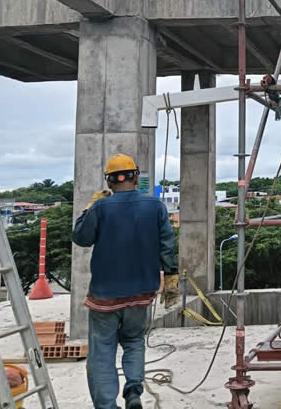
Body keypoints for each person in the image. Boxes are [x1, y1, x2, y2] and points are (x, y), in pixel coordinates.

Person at [73, 154, 179, 409]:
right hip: (141, 293)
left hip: (105, 296)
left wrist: (90, 207)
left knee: (102, 352)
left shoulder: (100, 208)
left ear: (109, 181)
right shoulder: (155, 206)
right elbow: (167, 244)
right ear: (135, 177)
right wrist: (171, 276)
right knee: (134, 341)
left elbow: (81, 238)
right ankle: (133, 392)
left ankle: (107, 405)